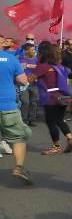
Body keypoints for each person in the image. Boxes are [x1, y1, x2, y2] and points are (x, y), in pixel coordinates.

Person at [31, 42, 72, 155]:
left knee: (50, 121)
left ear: (42, 53)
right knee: (59, 120)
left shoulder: (42, 66)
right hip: (64, 96)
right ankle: (70, 138)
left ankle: (56, 146)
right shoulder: (58, 65)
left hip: (51, 98)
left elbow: (29, 79)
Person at [0, 33, 33, 185]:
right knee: (18, 137)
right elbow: (22, 80)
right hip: (7, 106)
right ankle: (19, 167)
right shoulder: (11, 59)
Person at [18, 43, 39, 126]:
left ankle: (32, 120)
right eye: (32, 50)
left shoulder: (37, 60)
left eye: (34, 50)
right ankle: (24, 120)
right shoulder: (19, 59)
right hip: (23, 84)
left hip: (34, 84)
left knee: (33, 102)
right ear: (26, 51)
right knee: (25, 102)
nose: (34, 51)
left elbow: (40, 70)